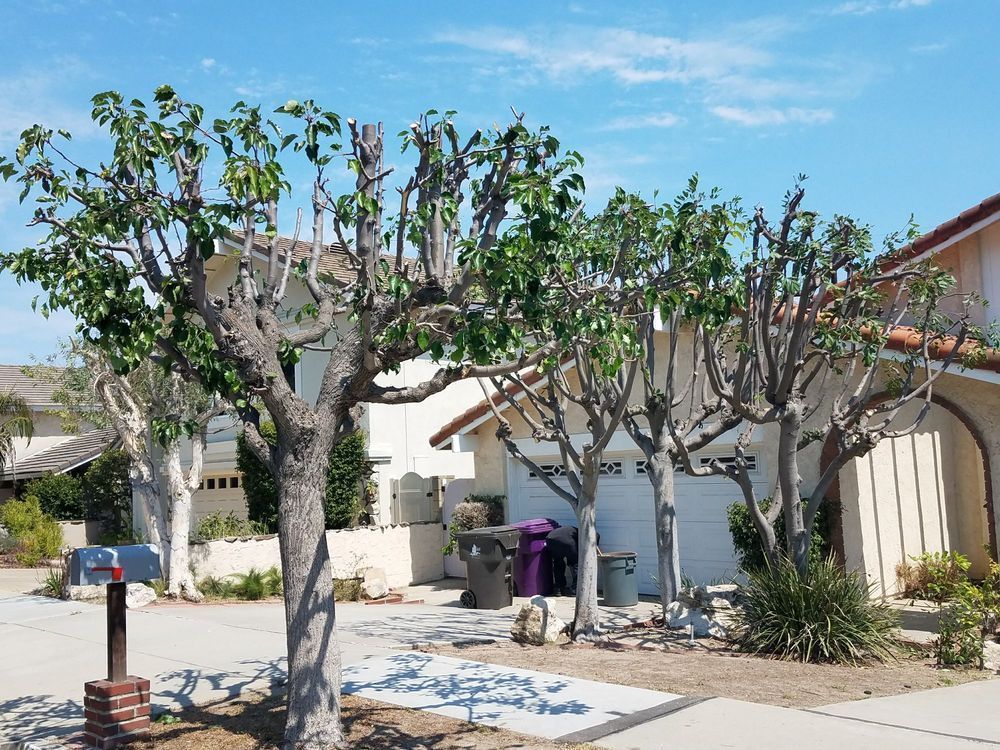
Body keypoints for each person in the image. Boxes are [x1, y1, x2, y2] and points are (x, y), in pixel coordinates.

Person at [545, 525, 599, 596]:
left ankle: (559, 589)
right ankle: (574, 590)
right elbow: (573, 553)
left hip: (550, 539)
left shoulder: (574, 531)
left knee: (558, 563)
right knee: (577, 564)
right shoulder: (584, 535)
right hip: (566, 541)